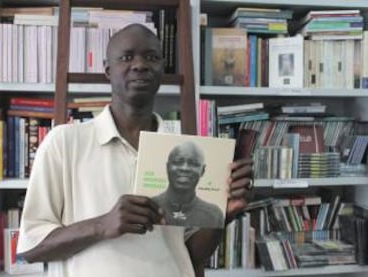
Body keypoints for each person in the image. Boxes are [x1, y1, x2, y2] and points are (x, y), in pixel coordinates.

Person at [17, 23, 253, 277]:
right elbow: (31, 249)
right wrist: (102, 224)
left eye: (151, 57)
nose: (140, 65)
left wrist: (222, 216)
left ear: (162, 69)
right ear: (108, 70)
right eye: (127, 57)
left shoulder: (182, 153)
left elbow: (190, 254)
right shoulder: (64, 143)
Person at [152, 141, 224, 228]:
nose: (185, 168)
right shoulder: (150, 206)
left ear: (203, 170)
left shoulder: (214, 215)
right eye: (178, 162)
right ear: (167, 167)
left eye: (194, 163)